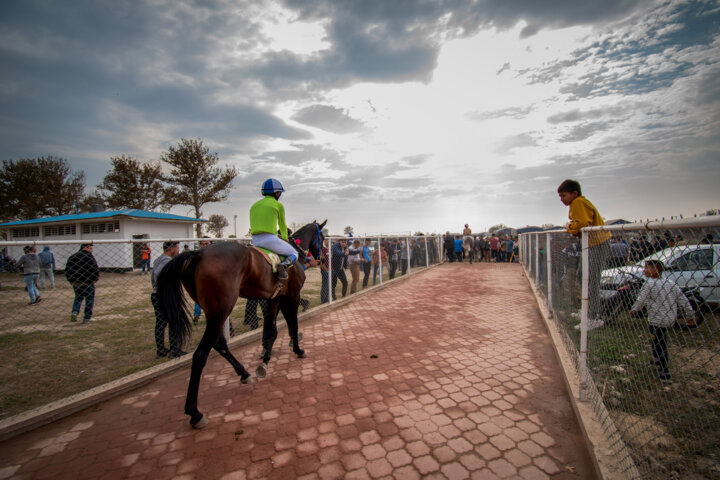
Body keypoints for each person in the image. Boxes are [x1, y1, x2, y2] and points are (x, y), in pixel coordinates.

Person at [558, 179, 611, 330]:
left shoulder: (578, 202)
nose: (562, 199)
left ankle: (594, 316)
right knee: (583, 276)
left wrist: (569, 227)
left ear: (574, 193)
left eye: (564, 195)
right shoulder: (576, 203)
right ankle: (586, 310)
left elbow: (580, 224)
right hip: (591, 244)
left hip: (598, 243)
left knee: (592, 279)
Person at [630, 260, 694, 380]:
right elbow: (683, 300)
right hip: (670, 318)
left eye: (647, 268)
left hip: (657, 320)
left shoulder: (649, 284)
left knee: (660, 342)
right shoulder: (670, 283)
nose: (644, 270)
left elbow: (641, 300)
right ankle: (656, 358)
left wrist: (634, 310)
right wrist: (690, 315)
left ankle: (664, 369)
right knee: (657, 339)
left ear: (656, 270)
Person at [249, 178, 297, 281]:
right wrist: (285, 238)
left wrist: (275, 233)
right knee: (294, 254)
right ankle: (282, 267)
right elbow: (282, 225)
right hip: (269, 240)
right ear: (277, 193)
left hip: (255, 240)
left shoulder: (254, 206)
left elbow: (261, 224)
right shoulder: (278, 205)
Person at [151, 241, 185, 358]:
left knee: (161, 323)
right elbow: (157, 273)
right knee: (173, 321)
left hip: (156, 295)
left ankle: (161, 350)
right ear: (171, 248)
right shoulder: (167, 261)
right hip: (164, 295)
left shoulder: (157, 260)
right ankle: (174, 349)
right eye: (177, 248)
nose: (178, 250)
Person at [65, 243, 100, 323]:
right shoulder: (89, 257)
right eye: (90, 248)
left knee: (78, 297)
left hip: (76, 282)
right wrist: (95, 278)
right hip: (87, 282)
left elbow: (67, 269)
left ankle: (75, 311)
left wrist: (70, 280)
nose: (92, 250)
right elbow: (94, 268)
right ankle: (87, 317)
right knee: (89, 299)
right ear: (85, 248)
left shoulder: (72, 256)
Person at [193, 237, 212, 324]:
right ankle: (197, 314)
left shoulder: (215, 255)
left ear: (210, 244)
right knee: (199, 299)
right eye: (202, 244)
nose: (204, 246)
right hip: (200, 281)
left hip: (212, 281)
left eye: (206, 244)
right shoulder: (198, 256)